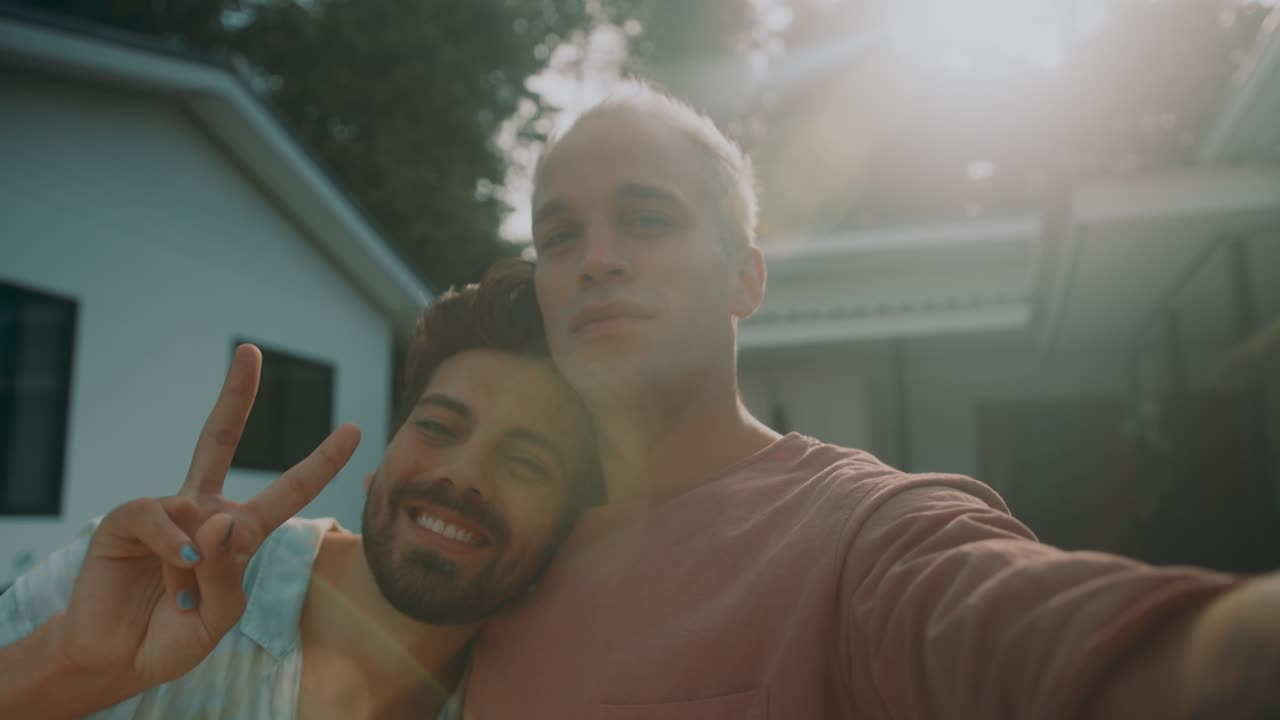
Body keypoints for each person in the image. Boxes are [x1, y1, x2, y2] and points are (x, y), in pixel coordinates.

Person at [461, 81, 1279, 718]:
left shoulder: (864, 540)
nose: (596, 258)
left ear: (746, 276)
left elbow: (1063, 647)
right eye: (559, 235)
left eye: (647, 218)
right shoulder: (500, 558)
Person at [0, 262, 599, 719]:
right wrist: (67, 668)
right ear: (382, 464)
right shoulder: (156, 572)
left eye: (528, 463)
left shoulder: (518, 698)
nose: (465, 474)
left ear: (568, 530)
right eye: (439, 427)